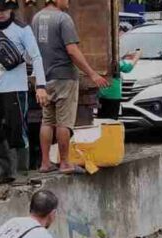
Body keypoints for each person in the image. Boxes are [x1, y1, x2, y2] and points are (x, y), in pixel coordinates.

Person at [33, 0, 109, 175]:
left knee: (47, 120)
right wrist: (92, 73)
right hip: (64, 77)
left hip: (45, 77)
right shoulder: (63, 18)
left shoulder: (37, 18)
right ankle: (65, 163)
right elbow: (72, 51)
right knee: (64, 122)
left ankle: (45, 163)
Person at [0, 0, 48, 184]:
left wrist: (41, 86)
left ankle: (21, 172)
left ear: (11, 10)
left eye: (3, 10)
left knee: (17, 130)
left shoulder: (22, 29)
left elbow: (36, 57)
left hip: (16, 88)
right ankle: (4, 169)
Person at [98, 44, 141, 120]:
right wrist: (138, 55)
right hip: (112, 95)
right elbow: (127, 68)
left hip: (101, 94)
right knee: (111, 120)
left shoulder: (99, 58)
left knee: (101, 118)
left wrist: (123, 57)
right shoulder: (114, 60)